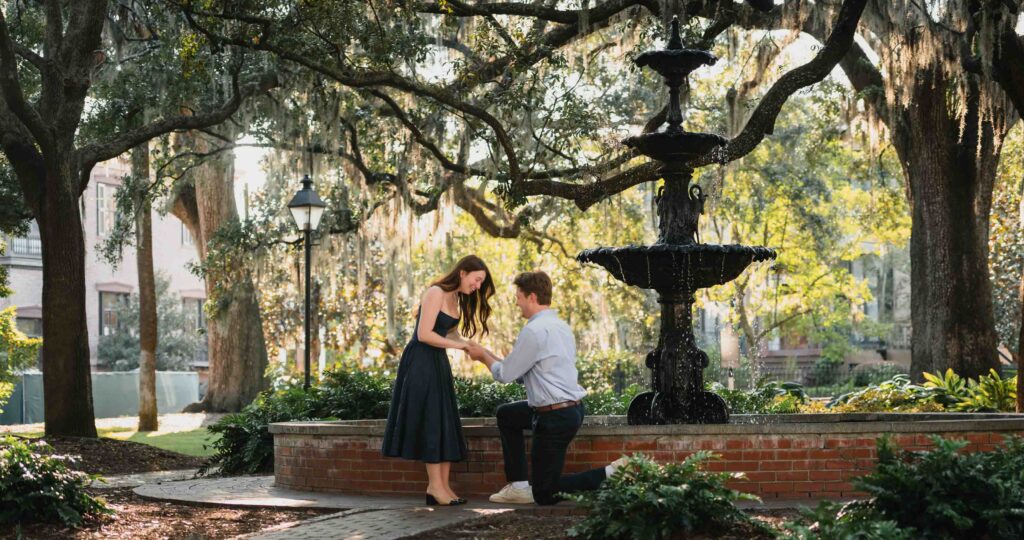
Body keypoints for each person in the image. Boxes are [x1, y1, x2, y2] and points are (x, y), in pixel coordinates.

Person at [466, 270, 624, 505]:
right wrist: (487, 353)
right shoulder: (560, 326)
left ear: (531, 297)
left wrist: (482, 357)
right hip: (571, 410)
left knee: (544, 493)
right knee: (507, 415)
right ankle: (519, 486)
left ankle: (610, 473)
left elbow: (505, 375)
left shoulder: (533, 331)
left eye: (518, 297)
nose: (517, 303)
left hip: (554, 417)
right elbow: (522, 372)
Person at [381, 255, 495, 506]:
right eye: (476, 280)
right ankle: (434, 486)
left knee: (443, 419)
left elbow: (448, 332)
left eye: (480, 283)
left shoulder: (455, 298)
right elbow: (424, 334)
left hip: (437, 362)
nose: (477, 286)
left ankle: (442, 487)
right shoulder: (436, 292)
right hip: (421, 362)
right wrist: (459, 346)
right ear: (463, 272)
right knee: (432, 420)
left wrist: (468, 344)